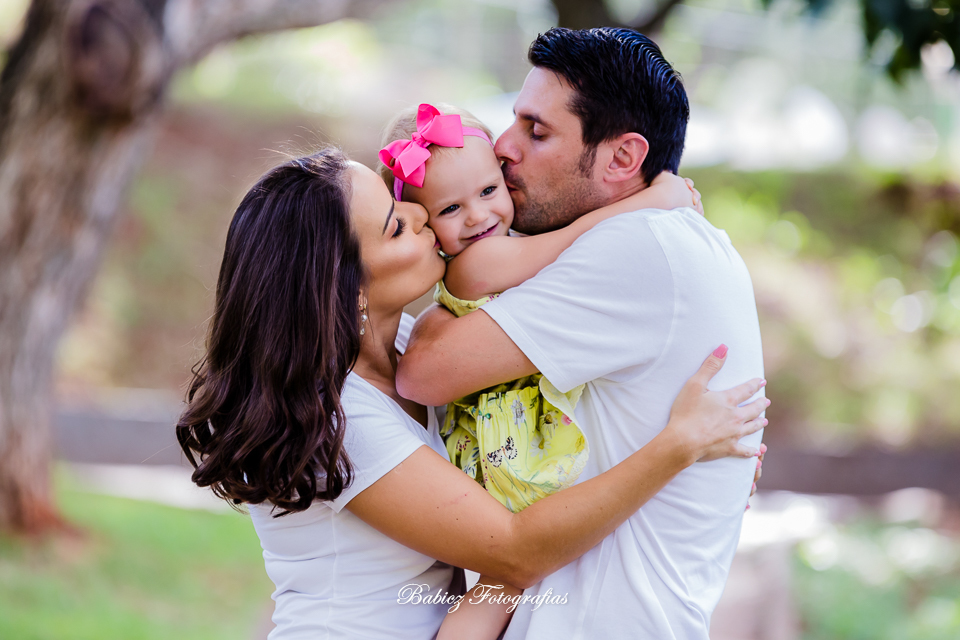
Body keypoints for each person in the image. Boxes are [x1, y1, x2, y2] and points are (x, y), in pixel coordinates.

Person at [176, 146, 768, 640]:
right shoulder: (339, 416)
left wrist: (689, 490)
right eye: (395, 226)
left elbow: (527, 433)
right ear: (346, 288)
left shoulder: (412, 350)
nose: (421, 214)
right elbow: (514, 552)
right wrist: (674, 452)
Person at [397, 27, 767, 639]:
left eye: (537, 131)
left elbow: (427, 370)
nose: (503, 147)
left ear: (622, 158)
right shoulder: (669, 238)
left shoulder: (638, 246)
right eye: (514, 121)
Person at [379, 102, 705, 637]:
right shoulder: (477, 263)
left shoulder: (500, 249)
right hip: (506, 444)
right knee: (505, 579)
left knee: (505, 586)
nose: (479, 217)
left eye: (488, 191)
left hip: (521, 429)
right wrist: (651, 201)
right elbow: (569, 242)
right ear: (425, 224)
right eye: (451, 208)